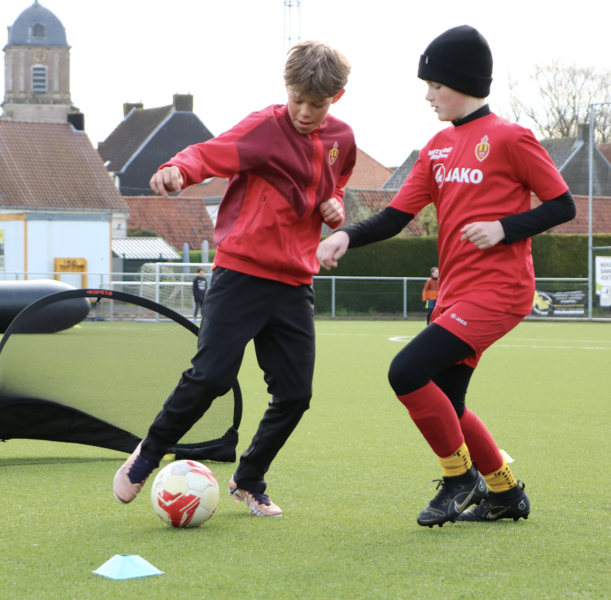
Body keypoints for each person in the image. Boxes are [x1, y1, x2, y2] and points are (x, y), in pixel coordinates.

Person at [318, 25, 575, 527]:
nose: (428, 95)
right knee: (448, 401)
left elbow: (562, 205)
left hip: (500, 294)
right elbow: (395, 216)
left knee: (406, 372)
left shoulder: (511, 137)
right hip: (455, 295)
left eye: (434, 85)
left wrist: (504, 228)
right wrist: (347, 235)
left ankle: (460, 478)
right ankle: (504, 492)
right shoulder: (435, 147)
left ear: (461, 82)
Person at [113, 40, 357, 517]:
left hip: (293, 284)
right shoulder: (264, 128)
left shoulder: (343, 140)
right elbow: (209, 153)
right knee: (211, 377)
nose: (305, 112)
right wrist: (177, 170)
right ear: (286, 88)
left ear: (337, 98)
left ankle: (248, 480)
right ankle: (149, 452)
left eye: (318, 104)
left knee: (295, 395)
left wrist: (336, 207)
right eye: (298, 99)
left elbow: (337, 186)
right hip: (240, 273)